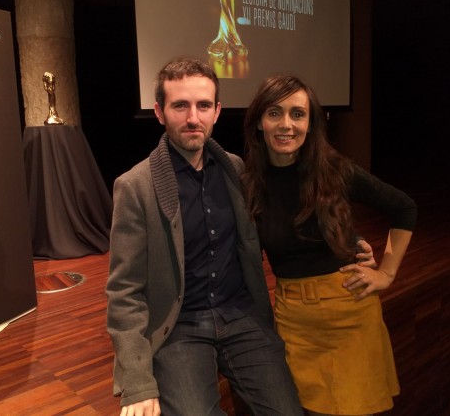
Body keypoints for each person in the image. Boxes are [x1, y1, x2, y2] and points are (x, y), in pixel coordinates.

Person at [106, 58, 304, 415]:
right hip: (180, 326)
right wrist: (137, 379)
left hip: (241, 315)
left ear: (217, 111)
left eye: (202, 106)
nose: (193, 117)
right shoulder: (135, 187)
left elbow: (280, 223)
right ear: (160, 112)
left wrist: (346, 248)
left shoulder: (235, 170)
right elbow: (124, 292)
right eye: (180, 105)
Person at [242, 75, 417, 416]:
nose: (286, 124)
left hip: (348, 313)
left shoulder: (333, 170)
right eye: (275, 113)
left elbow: (404, 207)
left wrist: (387, 273)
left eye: (298, 114)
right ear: (259, 123)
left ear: (311, 123)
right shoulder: (249, 184)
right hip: (293, 319)